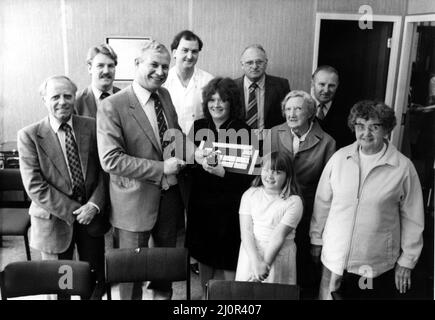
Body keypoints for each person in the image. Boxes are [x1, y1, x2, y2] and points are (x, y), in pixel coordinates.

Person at [97, 40, 186, 300]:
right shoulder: (113, 105)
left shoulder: (165, 95)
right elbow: (111, 160)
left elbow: (174, 136)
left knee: (164, 269)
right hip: (133, 203)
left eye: (165, 67)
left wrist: (195, 151)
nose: (160, 72)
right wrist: (161, 167)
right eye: (154, 65)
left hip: (169, 198)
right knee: (130, 274)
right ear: (137, 64)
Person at [310, 100, 425, 300]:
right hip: (334, 257)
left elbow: (413, 217)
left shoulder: (402, 167)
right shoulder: (339, 159)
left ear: (387, 129)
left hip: (371, 265)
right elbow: (323, 203)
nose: (366, 133)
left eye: (375, 127)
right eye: (360, 126)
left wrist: (407, 260)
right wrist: (316, 238)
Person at [17, 75, 110, 299]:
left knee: (95, 281)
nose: (62, 101)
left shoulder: (91, 126)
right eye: (55, 96)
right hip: (54, 221)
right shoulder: (29, 136)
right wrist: (76, 212)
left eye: (68, 96)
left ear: (75, 97)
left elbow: (103, 171)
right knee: (61, 285)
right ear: (44, 99)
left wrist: (94, 206)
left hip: (92, 218)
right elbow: (35, 186)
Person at [185, 77, 253, 295]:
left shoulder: (243, 130)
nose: (217, 104)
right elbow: (184, 161)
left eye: (223, 100)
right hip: (201, 203)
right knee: (204, 255)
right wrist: (193, 157)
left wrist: (223, 172)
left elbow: (248, 176)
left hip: (229, 205)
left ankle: (228, 299)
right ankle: (206, 296)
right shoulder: (198, 126)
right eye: (212, 99)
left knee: (227, 258)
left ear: (231, 102)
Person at [270, 90, 335, 295]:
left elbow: (328, 186)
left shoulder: (327, 142)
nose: (292, 114)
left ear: (310, 113)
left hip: (307, 210)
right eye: (288, 109)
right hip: (275, 206)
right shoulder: (273, 133)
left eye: (298, 109)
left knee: (301, 260)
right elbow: (265, 171)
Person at [235, 151, 303, 285]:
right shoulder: (250, 194)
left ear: (287, 175)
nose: (270, 176)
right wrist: (256, 263)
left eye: (277, 172)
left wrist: (264, 266)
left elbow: (278, 236)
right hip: (251, 252)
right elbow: (246, 232)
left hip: (278, 255)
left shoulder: (294, 201)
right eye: (266, 170)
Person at [164, 30, 214, 134]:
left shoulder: (209, 81)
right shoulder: (163, 81)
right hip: (171, 143)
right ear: (174, 53)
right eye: (185, 50)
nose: (190, 56)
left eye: (194, 51)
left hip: (201, 143)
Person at [234, 44, 290, 131]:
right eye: (249, 62)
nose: (255, 66)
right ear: (242, 65)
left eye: (259, 62)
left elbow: (287, 116)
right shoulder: (231, 87)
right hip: (238, 139)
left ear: (266, 63)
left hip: (270, 140)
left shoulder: (281, 86)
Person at [311, 65, 354, 149]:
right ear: (313, 83)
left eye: (331, 86)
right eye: (322, 84)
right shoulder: (301, 107)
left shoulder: (348, 111)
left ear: (337, 85)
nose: (326, 90)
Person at [75, 44, 120, 117]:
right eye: (100, 66)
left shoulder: (126, 99)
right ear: (90, 68)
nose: (106, 71)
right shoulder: (77, 102)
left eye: (110, 66)